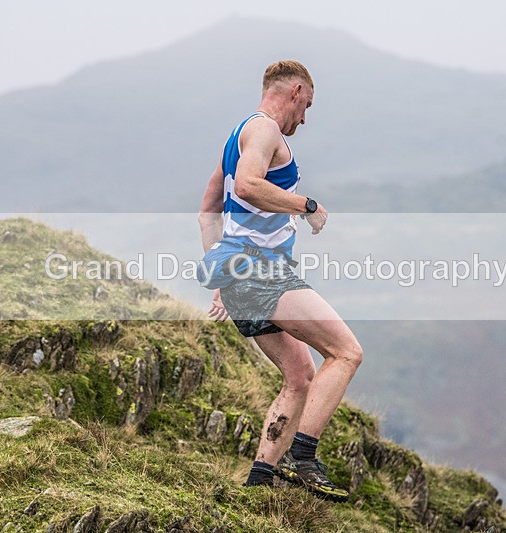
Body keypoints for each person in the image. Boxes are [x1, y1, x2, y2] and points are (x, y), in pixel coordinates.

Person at [197, 60, 363, 502]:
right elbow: (248, 186)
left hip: (241, 276)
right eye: (307, 106)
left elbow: (208, 212)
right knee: (346, 352)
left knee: (299, 375)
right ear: (295, 92)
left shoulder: (236, 138)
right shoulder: (265, 129)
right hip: (262, 271)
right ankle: (302, 456)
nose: (304, 119)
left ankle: (259, 482)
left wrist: (221, 273)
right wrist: (307, 205)